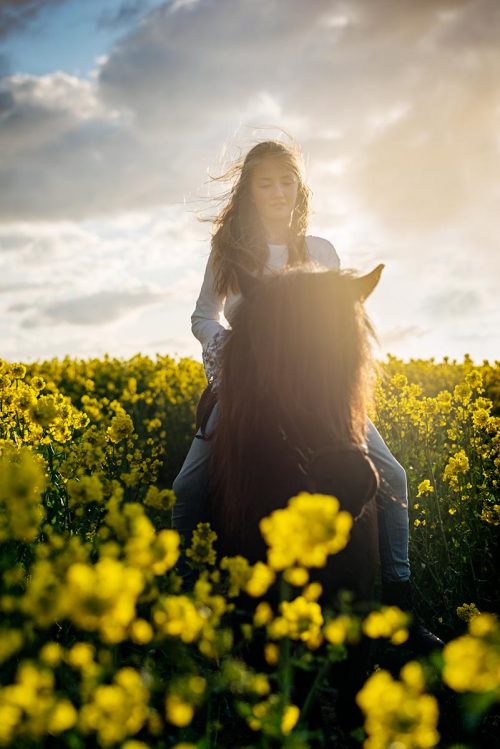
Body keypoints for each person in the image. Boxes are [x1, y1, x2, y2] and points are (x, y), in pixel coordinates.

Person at [173, 139, 443, 654]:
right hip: (252, 383)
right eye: (266, 183)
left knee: (391, 473)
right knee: (188, 489)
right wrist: (224, 343)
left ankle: (400, 605)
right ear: (249, 191)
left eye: (287, 181)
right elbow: (202, 315)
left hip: (313, 387)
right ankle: (188, 605)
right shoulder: (228, 253)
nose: (278, 192)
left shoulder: (320, 252)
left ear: (300, 188)